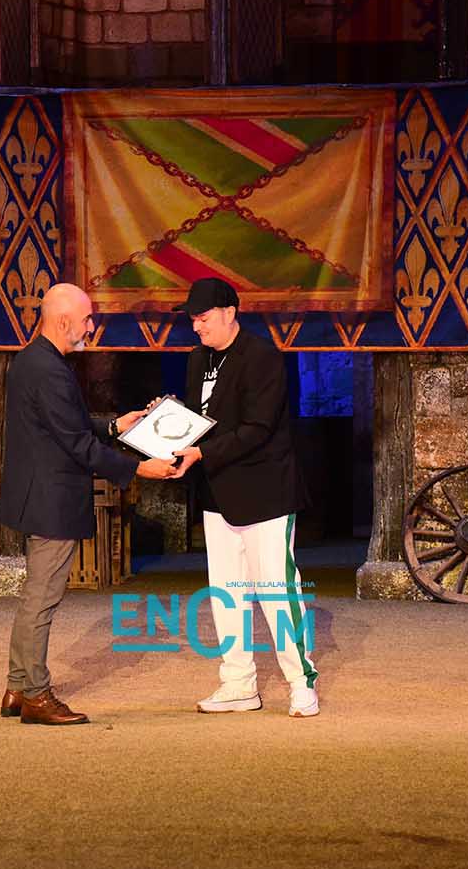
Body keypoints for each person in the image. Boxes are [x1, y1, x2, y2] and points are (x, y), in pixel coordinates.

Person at [0, 283, 177, 725]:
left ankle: (17, 687)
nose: (91, 327)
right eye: (86, 319)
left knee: (35, 595)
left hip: (40, 493)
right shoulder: (49, 370)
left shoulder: (34, 360)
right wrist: (139, 468)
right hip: (51, 498)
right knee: (42, 598)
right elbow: (77, 444)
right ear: (64, 322)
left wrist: (115, 426)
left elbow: (67, 425)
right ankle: (35, 694)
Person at [169, 278, 320, 718]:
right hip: (217, 493)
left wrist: (201, 452)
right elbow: (198, 420)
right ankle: (238, 684)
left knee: (277, 591)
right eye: (193, 320)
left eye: (203, 318)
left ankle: (301, 683)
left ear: (230, 312)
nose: (197, 327)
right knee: (227, 593)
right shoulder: (197, 358)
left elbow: (258, 428)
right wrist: (168, 424)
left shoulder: (262, 356)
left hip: (265, 493)